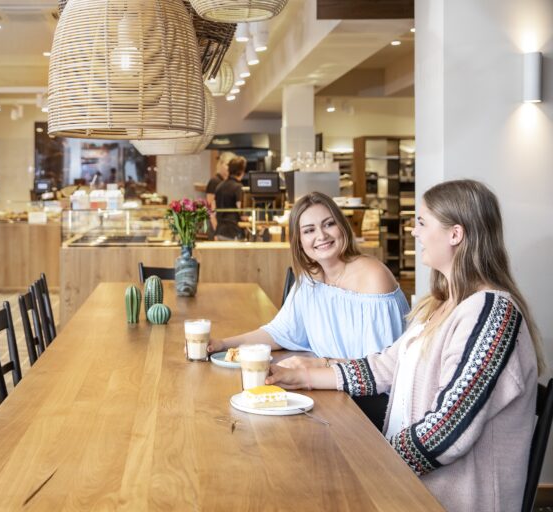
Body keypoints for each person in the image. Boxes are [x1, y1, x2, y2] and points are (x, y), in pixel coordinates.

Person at [266, 180, 542, 512]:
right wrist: (304, 377)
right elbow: (385, 366)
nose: (413, 232)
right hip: (412, 486)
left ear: (455, 234)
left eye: (422, 222)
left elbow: (446, 431)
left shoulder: (491, 315)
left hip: (446, 499)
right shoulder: (444, 304)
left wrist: (370, 463)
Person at [208, 190, 409, 360]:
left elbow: (381, 370)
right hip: (334, 389)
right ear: (299, 242)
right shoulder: (310, 279)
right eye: (309, 230)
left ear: (343, 227)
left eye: (329, 224)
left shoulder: (373, 276)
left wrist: (314, 368)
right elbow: (280, 333)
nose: (321, 236)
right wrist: (223, 344)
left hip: (372, 401)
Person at [213, 156, 247, 240]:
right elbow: (241, 210)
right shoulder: (238, 187)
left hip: (220, 231)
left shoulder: (219, 186)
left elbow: (214, 207)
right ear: (241, 171)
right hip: (234, 231)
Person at [206, 152, 236, 235]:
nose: (229, 168)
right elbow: (210, 208)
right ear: (221, 164)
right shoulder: (214, 181)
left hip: (225, 227)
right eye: (227, 164)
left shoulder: (229, 182)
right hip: (216, 226)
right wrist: (216, 229)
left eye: (231, 166)